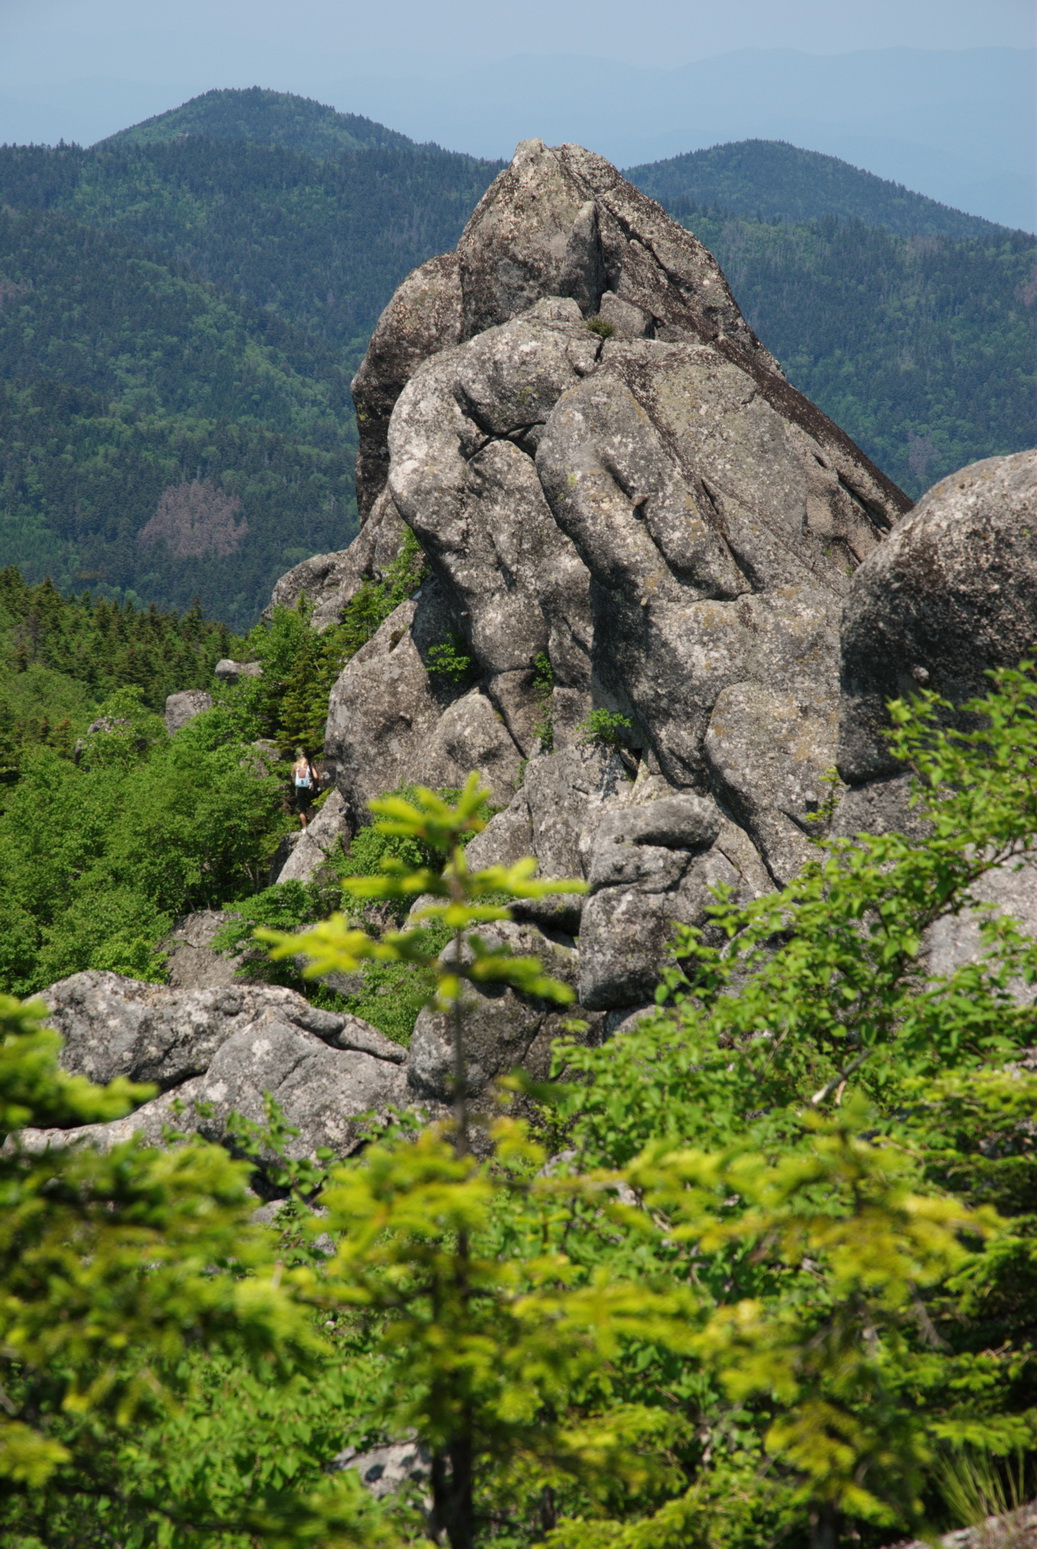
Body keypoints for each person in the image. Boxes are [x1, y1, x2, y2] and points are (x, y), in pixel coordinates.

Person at [291, 748, 318, 828]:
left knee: (302, 810)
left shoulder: (295, 765)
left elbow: (293, 777)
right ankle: (312, 827)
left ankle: (304, 828)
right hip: (309, 788)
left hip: (299, 789)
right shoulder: (309, 764)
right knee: (311, 807)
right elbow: (316, 776)